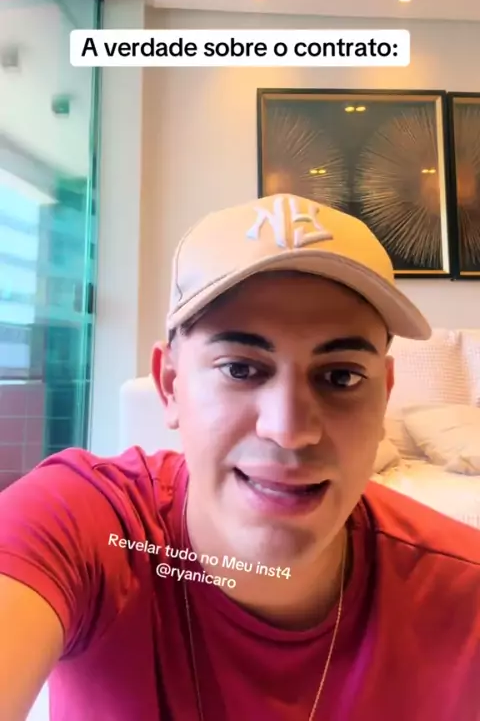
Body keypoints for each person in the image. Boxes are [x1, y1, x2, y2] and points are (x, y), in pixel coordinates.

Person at [0, 193, 479, 721]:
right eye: (240, 369)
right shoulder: (83, 526)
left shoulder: (463, 592)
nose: (290, 431)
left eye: (341, 376)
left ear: (384, 394)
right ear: (170, 385)